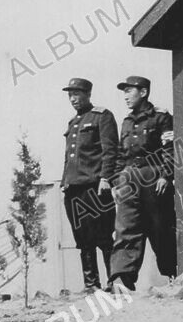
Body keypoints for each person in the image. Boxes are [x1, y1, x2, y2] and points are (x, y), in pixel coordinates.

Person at [109, 76, 176, 291]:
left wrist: (166, 175)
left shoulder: (161, 117)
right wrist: (117, 180)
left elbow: (169, 147)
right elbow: (121, 153)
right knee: (125, 228)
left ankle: (173, 274)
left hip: (153, 177)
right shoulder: (127, 121)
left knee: (160, 228)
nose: (126, 96)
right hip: (129, 178)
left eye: (130, 91)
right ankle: (122, 279)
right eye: (124, 92)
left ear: (144, 92)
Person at [60, 78, 119, 292]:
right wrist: (65, 182)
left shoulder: (102, 116)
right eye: (70, 95)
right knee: (82, 238)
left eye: (77, 94)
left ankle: (114, 281)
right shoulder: (72, 123)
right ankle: (91, 285)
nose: (73, 99)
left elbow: (110, 150)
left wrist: (106, 178)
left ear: (88, 94)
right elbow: (69, 157)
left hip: (94, 186)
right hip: (73, 188)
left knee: (103, 235)